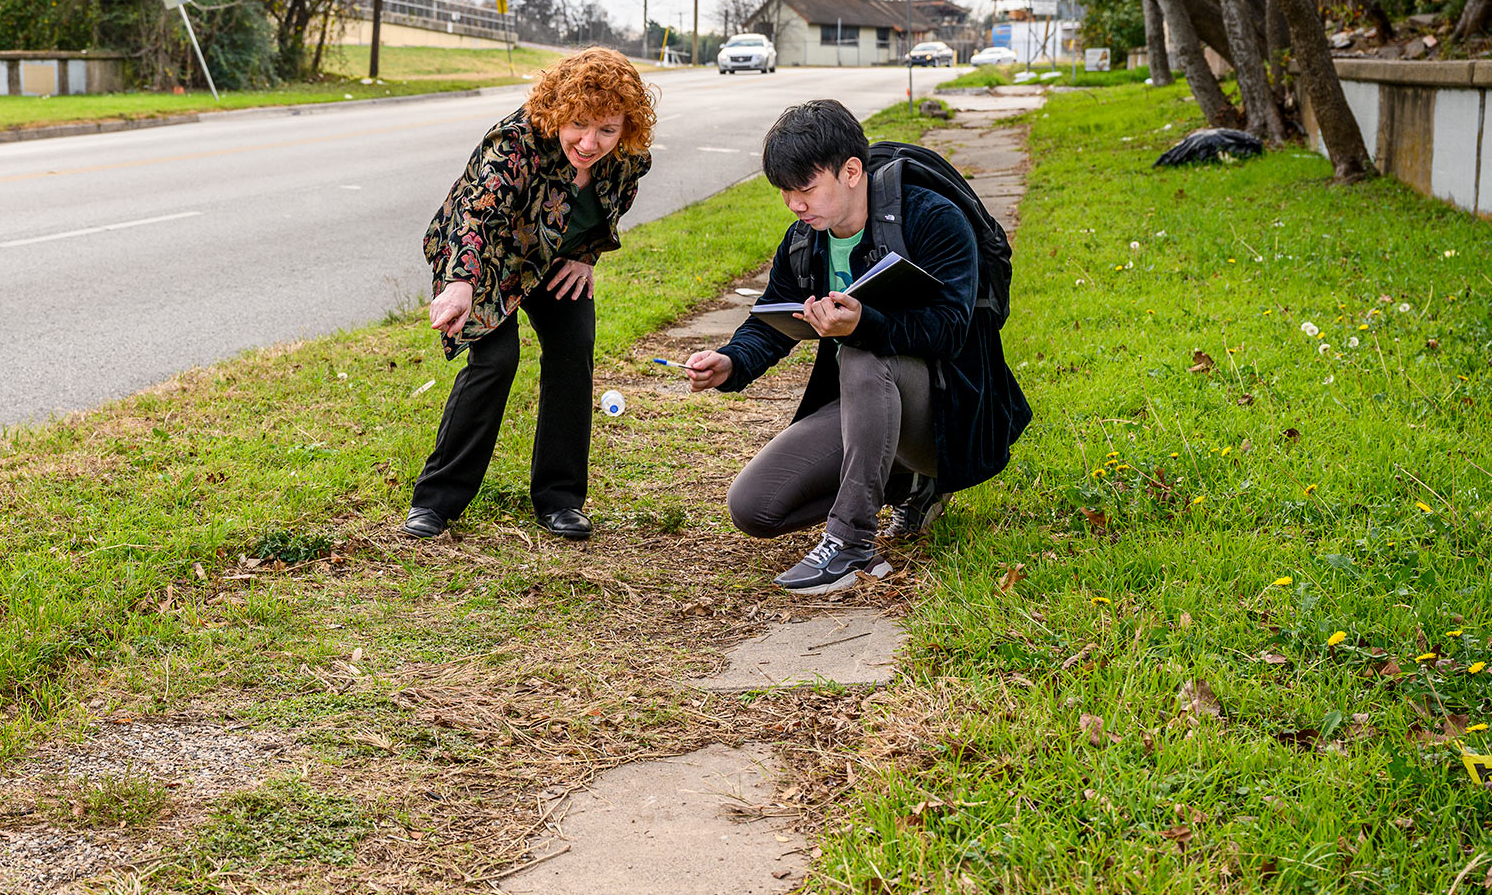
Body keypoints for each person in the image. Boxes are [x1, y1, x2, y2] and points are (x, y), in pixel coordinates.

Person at [685, 98, 1030, 594]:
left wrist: (865, 323)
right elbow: (772, 316)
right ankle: (907, 485)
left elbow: (954, 329)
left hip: (949, 417)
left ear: (851, 171)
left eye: (805, 188)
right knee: (753, 507)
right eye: (785, 192)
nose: (795, 205)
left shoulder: (931, 218)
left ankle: (850, 544)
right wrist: (731, 361)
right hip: (869, 408)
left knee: (866, 351)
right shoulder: (806, 239)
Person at [403, 47, 656, 541]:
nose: (590, 142)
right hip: (483, 258)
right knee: (496, 360)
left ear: (626, 125)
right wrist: (459, 285)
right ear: (559, 110)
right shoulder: (514, 143)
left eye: (607, 129)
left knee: (573, 348)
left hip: (556, 258)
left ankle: (561, 500)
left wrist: (586, 258)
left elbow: (610, 209)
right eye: (579, 124)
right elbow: (474, 217)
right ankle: (435, 502)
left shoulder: (628, 159)